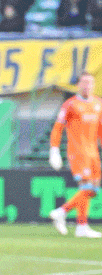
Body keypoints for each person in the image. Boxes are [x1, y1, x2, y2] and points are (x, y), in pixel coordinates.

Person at [48, 72, 102, 238]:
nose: (87, 86)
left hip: (93, 152)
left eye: (90, 83)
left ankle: (78, 224)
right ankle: (65, 214)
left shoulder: (99, 103)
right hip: (78, 151)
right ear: (78, 85)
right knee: (86, 187)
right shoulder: (70, 104)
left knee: (93, 189)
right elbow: (58, 127)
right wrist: (54, 149)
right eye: (84, 83)